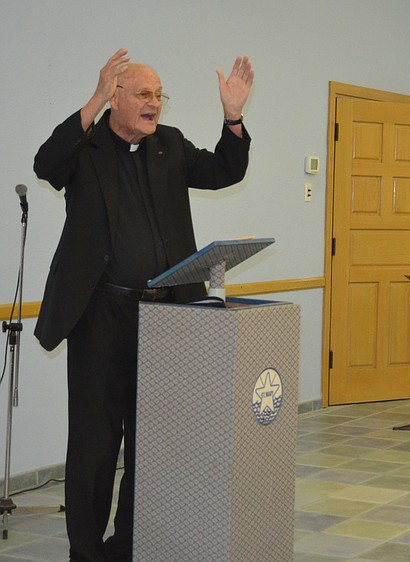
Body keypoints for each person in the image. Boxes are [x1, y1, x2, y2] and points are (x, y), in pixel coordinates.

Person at [33, 48, 254, 561]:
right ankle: (86, 552)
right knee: (95, 441)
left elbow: (226, 169)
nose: (155, 104)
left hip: (165, 318)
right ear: (117, 98)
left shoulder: (170, 146)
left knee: (152, 440)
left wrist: (234, 117)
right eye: (145, 95)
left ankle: (131, 543)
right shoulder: (85, 147)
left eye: (160, 95)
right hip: (101, 315)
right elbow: (45, 163)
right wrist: (91, 101)